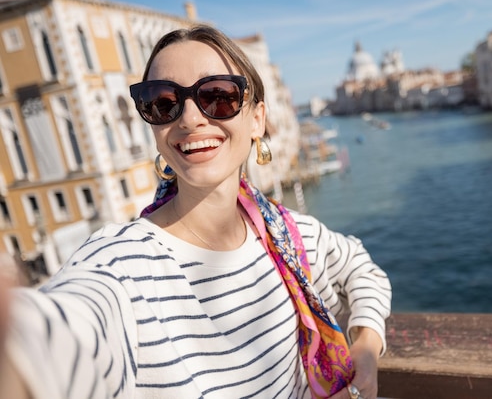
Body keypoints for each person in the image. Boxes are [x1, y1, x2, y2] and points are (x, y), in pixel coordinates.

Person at [0, 25, 391, 399]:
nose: (189, 119)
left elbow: (362, 269)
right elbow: (67, 333)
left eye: (218, 95)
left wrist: (367, 347)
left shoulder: (293, 236)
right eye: (163, 102)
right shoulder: (118, 263)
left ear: (257, 119)